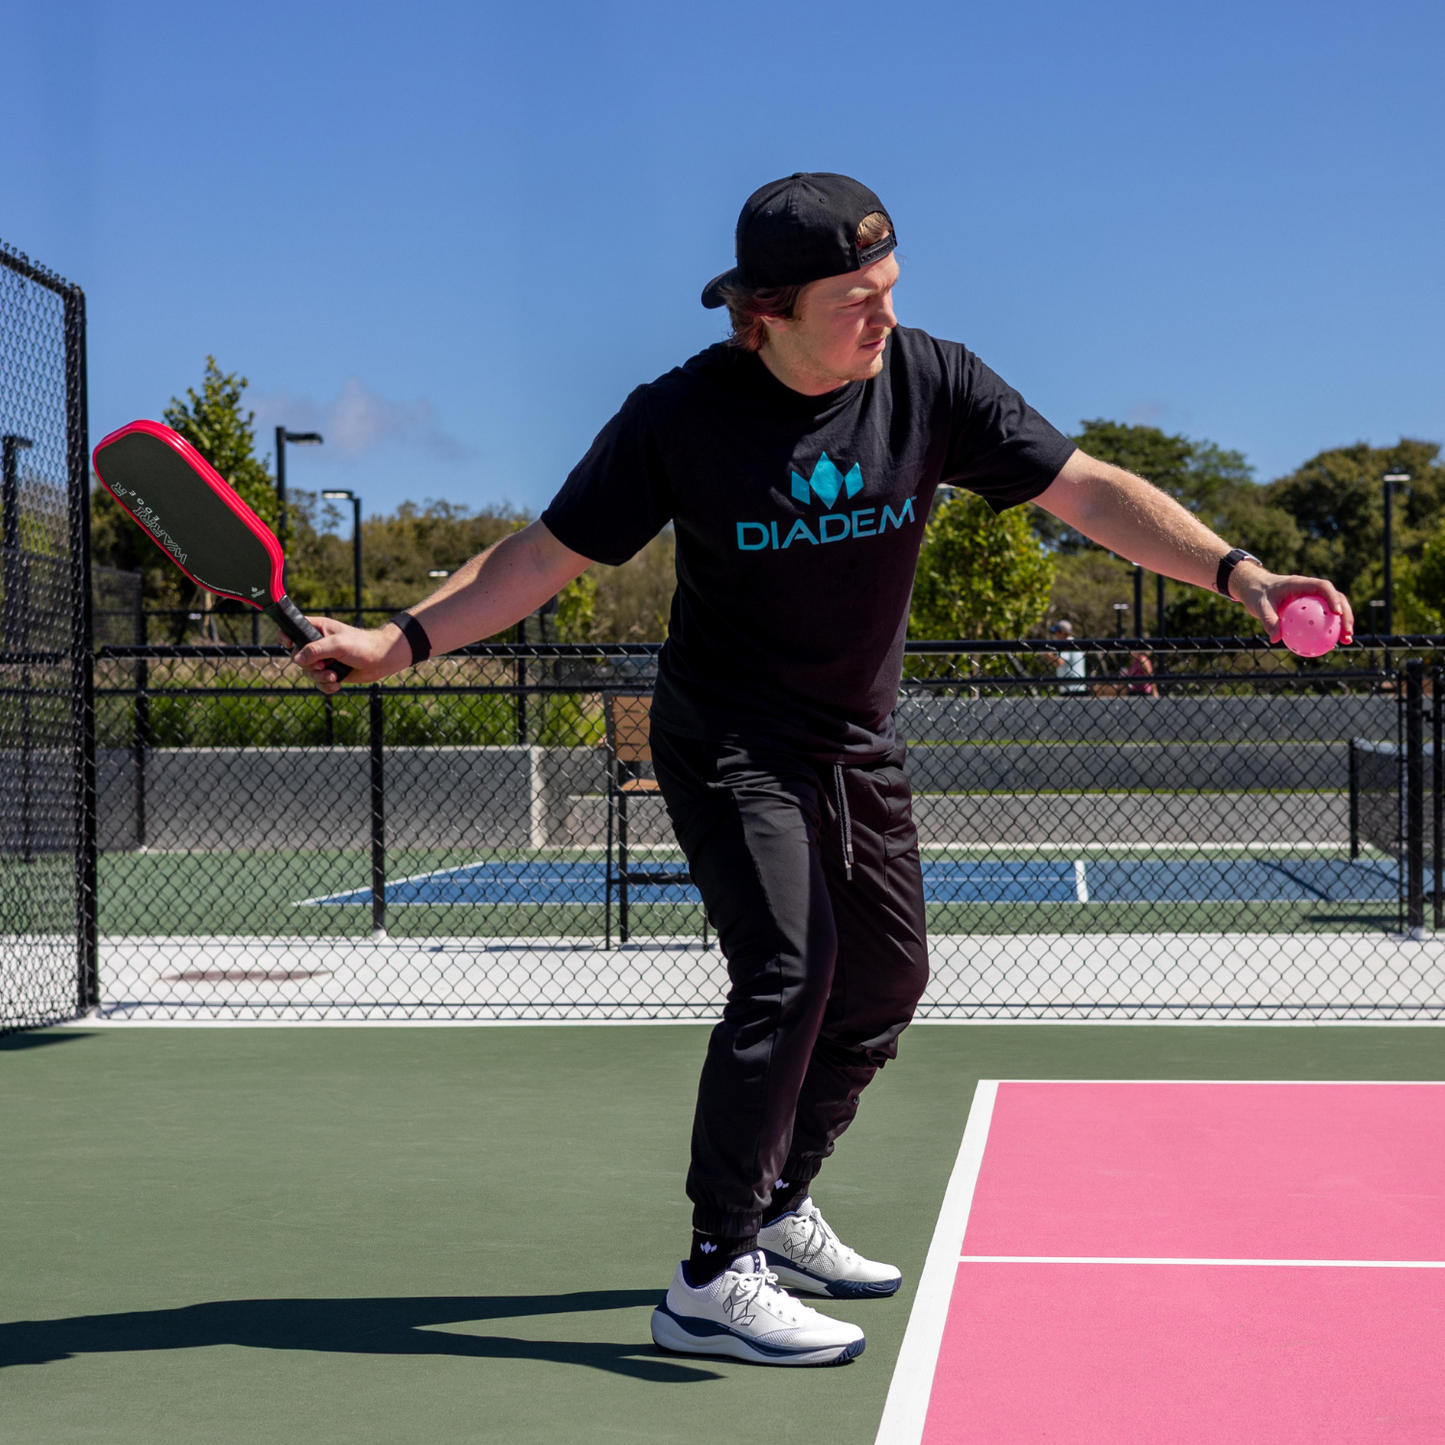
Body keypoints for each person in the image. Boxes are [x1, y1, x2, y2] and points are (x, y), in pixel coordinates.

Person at [290, 173, 1353, 1367]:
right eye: (856, 299)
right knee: (788, 969)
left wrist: (1241, 573)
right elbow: (543, 553)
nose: (883, 318)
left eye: (890, 289)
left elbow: (1084, 489)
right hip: (730, 739)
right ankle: (711, 1273)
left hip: (853, 738)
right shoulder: (677, 418)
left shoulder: (931, 381)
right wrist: (401, 640)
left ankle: (779, 1202)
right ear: (765, 310)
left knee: (886, 980)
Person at [1046, 619, 1087, 695]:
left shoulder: (1067, 643)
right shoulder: (1074, 643)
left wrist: (1049, 655)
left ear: (1063, 632)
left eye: (1057, 632)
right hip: (1077, 687)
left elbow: (1059, 662)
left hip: (1070, 689)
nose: (1056, 635)